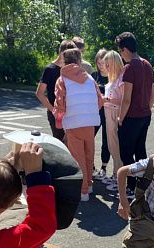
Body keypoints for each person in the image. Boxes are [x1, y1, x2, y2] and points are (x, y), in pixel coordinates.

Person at [54, 48, 103, 202]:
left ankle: (83, 192)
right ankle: (89, 185)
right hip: (90, 122)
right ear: (79, 61)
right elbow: (100, 101)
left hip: (73, 123)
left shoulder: (62, 79)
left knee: (78, 158)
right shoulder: (89, 77)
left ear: (64, 61)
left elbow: (60, 103)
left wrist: (58, 118)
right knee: (89, 155)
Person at [115, 31, 154, 198]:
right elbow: (153, 96)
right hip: (145, 115)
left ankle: (132, 188)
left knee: (126, 153)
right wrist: (146, 109)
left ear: (124, 49)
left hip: (131, 117)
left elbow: (126, 99)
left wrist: (120, 117)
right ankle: (145, 185)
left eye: (120, 51)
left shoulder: (130, 67)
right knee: (140, 151)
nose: (121, 55)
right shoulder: (147, 64)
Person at [36, 39, 77, 141]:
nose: (72, 59)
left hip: (71, 112)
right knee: (60, 143)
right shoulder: (50, 69)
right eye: (70, 55)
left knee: (72, 143)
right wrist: (53, 110)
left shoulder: (71, 68)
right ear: (62, 53)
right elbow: (39, 93)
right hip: (56, 113)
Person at [102, 50, 125, 190]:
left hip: (114, 112)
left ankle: (118, 178)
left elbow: (124, 100)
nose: (106, 67)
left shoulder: (121, 78)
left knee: (116, 147)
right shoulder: (113, 78)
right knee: (112, 146)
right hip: (109, 111)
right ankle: (115, 175)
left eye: (108, 64)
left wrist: (107, 99)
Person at [92, 48, 110, 181]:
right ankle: (90, 165)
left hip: (108, 112)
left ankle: (104, 167)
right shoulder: (93, 76)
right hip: (95, 112)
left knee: (106, 140)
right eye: (98, 63)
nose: (101, 66)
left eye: (103, 63)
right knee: (89, 137)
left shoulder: (113, 76)